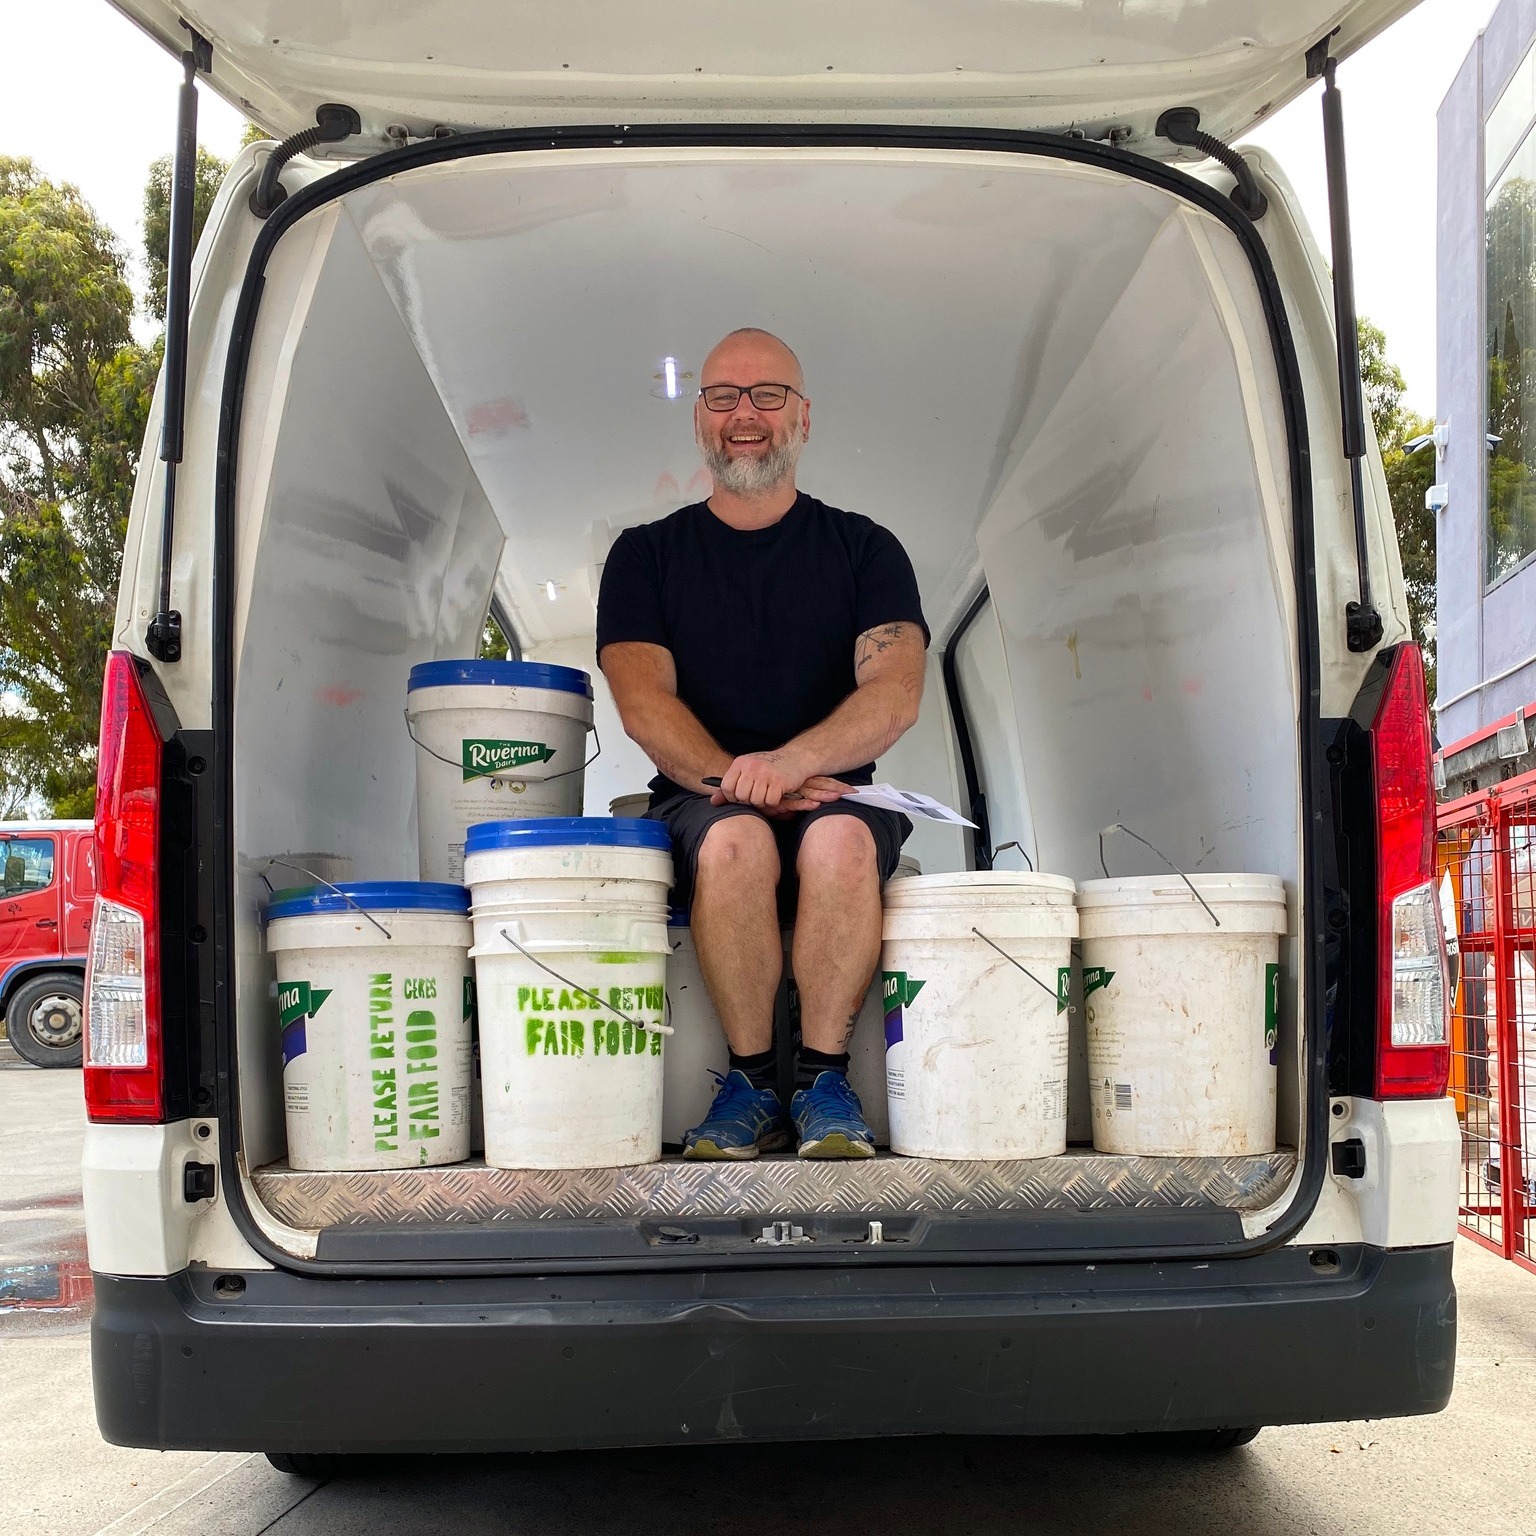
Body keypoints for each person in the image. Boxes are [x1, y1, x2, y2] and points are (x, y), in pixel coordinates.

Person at [596, 327, 928, 1160]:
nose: (746, 414)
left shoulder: (865, 549)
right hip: (703, 797)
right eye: (723, 397)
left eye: (768, 395)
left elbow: (894, 693)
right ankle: (751, 1087)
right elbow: (643, 704)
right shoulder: (644, 557)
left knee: (846, 842)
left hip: (837, 795)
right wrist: (748, 781)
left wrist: (793, 765)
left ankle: (822, 1082)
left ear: (804, 417)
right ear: (700, 420)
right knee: (738, 842)